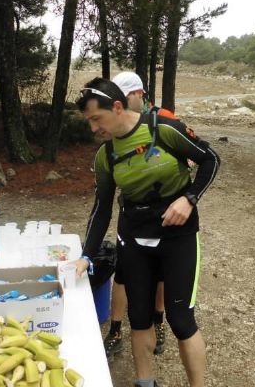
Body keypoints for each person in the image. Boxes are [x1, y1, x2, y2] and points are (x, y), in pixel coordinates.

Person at [73, 78, 220, 387]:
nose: (93, 128)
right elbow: (102, 207)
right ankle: (145, 382)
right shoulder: (106, 155)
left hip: (178, 236)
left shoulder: (162, 128)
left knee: (181, 321)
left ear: (116, 107)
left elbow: (210, 159)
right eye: (89, 122)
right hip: (135, 239)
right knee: (138, 319)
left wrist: (190, 198)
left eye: (96, 119)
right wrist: (87, 255)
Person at [103, 72, 177, 360]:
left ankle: (159, 323)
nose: (120, 104)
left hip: (165, 212)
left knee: (160, 273)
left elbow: (189, 157)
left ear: (140, 94)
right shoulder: (118, 129)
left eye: (125, 98)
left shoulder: (162, 118)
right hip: (131, 212)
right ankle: (117, 329)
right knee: (121, 271)